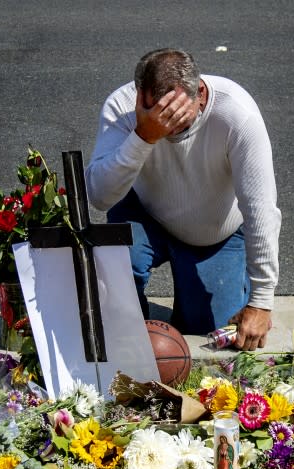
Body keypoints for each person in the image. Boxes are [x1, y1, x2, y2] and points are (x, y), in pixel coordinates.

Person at [85, 48, 281, 349]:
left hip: (216, 230)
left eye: (178, 118)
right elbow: (99, 196)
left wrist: (262, 302)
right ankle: (128, 331)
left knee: (207, 330)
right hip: (147, 212)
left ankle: (203, 289)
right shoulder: (122, 106)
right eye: (157, 116)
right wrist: (143, 136)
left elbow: (260, 210)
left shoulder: (237, 114)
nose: (167, 128)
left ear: (200, 93)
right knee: (116, 282)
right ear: (140, 98)